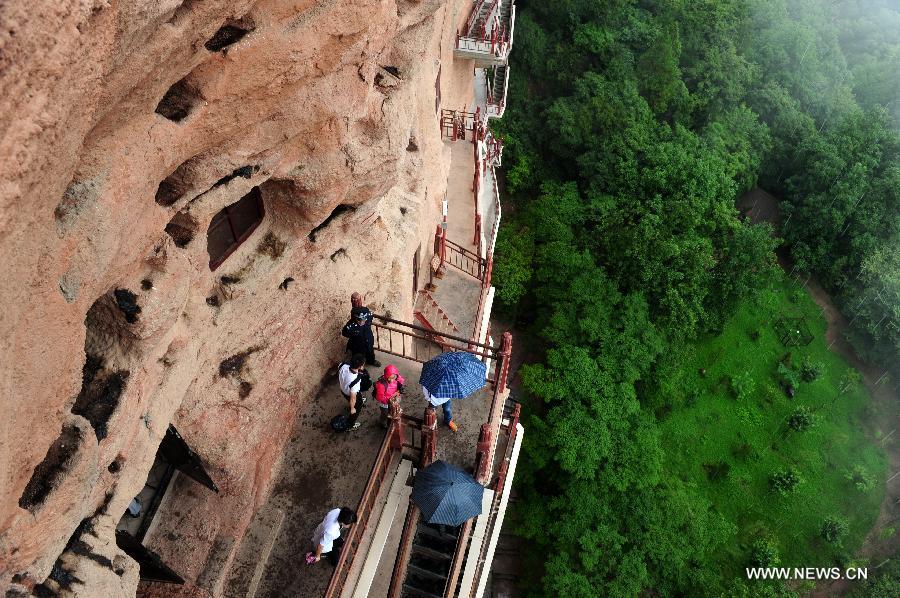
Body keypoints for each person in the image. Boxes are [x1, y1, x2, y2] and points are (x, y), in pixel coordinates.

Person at [338, 354, 369, 432]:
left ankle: (358, 401)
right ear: (361, 367)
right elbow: (353, 397)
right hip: (350, 393)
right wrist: (352, 408)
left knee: (353, 399)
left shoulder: (342, 364)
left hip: (343, 389)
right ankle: (350, 424)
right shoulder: (355, 381)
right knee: (357, 406)